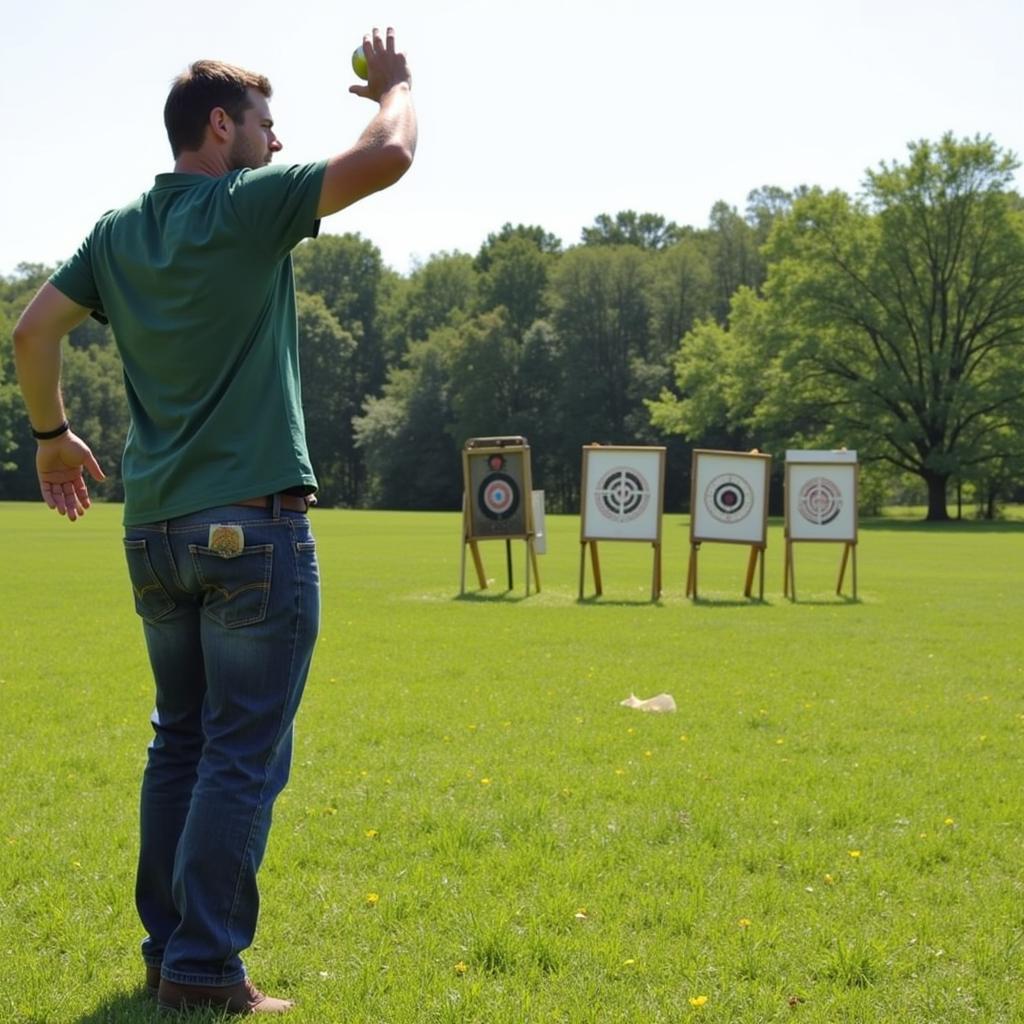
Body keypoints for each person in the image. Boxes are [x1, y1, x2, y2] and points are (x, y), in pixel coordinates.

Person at [12, 27, 415, 1016]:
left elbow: (31, 329)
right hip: (251, 533)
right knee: (238, 751)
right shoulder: (244, 207)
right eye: (268, 127)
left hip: (153, 533)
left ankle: (168, 954)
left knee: (180, 742)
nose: (280, 146)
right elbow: (390, 155)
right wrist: (396, 85)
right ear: (221, 126)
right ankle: (203, 969)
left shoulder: (117, 231)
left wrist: (53, 435)